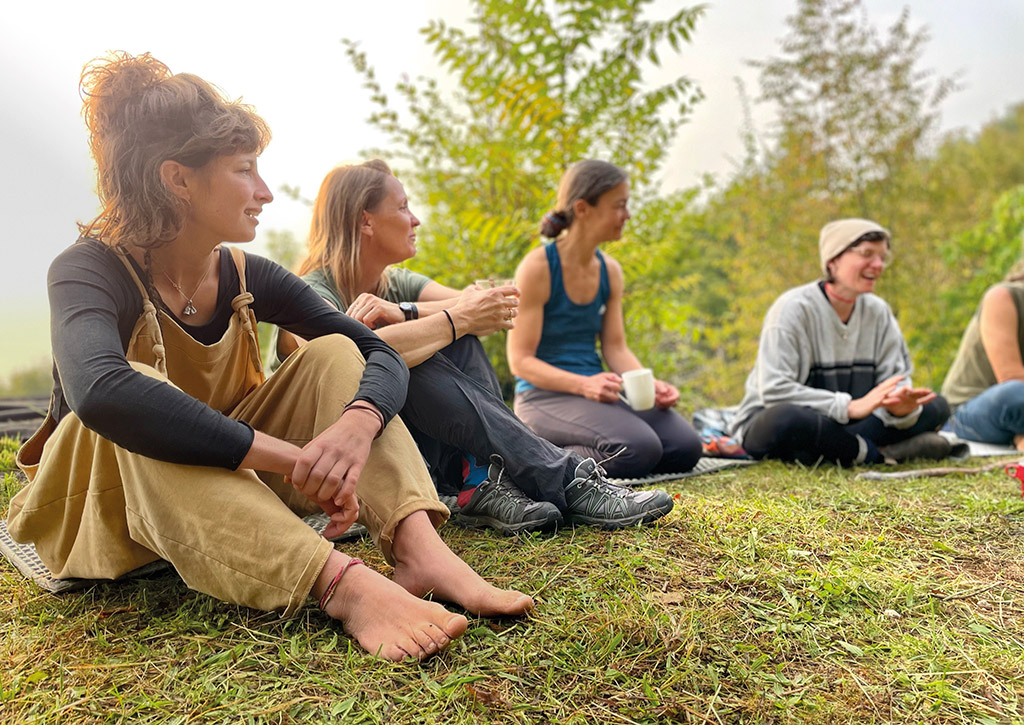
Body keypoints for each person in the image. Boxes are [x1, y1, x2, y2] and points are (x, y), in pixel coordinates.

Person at [6, 52, 534, 663]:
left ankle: (420, 549)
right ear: (177, 179)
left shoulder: (244, 274)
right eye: (244, 170)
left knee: (337, 350)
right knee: (139, 390)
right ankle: (346, 586)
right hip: (104, 506)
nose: (265, 192)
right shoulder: (87, 270)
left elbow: (373, 354)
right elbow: (102, 392)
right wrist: (290, 459)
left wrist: (357, 426)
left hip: (227, 494)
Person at [274, 160, 674, 533]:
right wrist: (453, 318)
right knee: (408, 351)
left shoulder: (396, 285)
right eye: (403, 208)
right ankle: (565, 478)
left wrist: (407, 311)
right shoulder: (308, 294)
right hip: (325, 461)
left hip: (402, 448)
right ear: (366, 221)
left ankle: (482, 480)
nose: (415, 220)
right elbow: (356, 356)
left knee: (445, 336)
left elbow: (487, 299)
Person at [507, 160, 702, 479]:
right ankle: (535, 460)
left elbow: (615, 348)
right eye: (619, 205)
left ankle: (574, 457)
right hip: (543, 396)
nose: (627, 216)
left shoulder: (610, 270)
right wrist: (584, 385)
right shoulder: (538, 267)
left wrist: (648, 384)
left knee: (684, 447)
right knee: (638, 448)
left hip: (596, 391)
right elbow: (521, 361)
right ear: (583, 209)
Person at [729, 218, 953, 466]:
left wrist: (900, 408)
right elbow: (774, 390)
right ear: (833, 261)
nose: (878, 265)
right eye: (867, 254)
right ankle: (877, 455)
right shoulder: (792, 309)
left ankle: (843, 450)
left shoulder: (878, 311)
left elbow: (896, 380)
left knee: (937, 406)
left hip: (842, 425)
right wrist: (848, 408)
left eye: (882, 257)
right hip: (783, 421)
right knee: (788, 419)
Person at [942, 263, 1024, 449]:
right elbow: (1011, 378)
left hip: (1016, 418)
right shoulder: (1002, 297)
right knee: (1014, 395)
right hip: (968, 412)